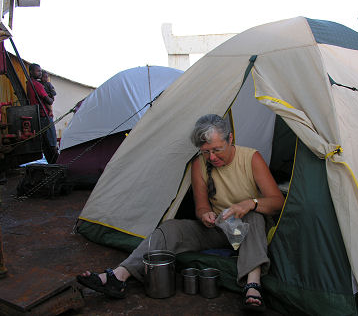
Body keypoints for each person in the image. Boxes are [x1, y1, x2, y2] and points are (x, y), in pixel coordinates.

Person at [77, 114, 284, 311]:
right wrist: (205, 215)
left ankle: (253, 284)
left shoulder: (251, 158)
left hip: (249, 231)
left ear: (230, 139)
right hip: (220, 229)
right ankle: (118, 276)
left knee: (254, 216)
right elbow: (201, 206)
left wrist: (250, 203)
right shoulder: (199, 164)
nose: (212, 157)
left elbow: (277, 202)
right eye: (205, 151)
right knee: (171, 228)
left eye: (217, 149)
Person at [26, 63, 58, 163]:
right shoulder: (37, 85)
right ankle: (57, 163)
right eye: (38, 71)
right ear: (31, 72)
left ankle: (52, 163)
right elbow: (49, 101)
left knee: (45, 144)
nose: (40, 73)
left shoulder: (29, 83)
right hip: (44, 116)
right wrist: (51, 98)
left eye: (40, 71)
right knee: (52, 142)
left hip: (38, 116)